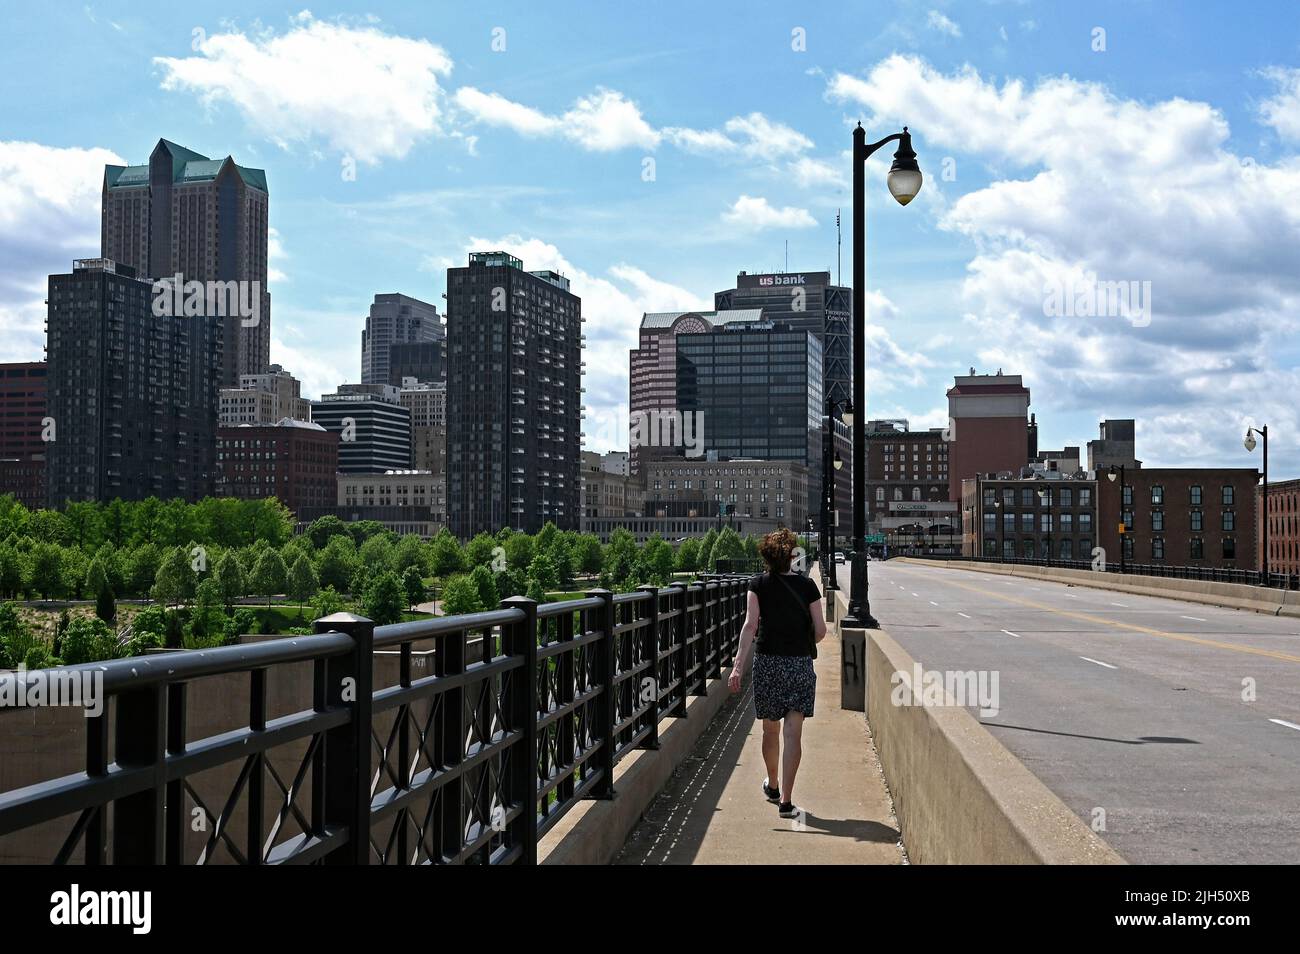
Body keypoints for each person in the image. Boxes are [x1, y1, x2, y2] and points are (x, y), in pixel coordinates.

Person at [727, 527, 827, 818]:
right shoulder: (808, 587)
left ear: (767, 557)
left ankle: (772, 784)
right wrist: (803, 640)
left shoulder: (757, 584)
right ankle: (786, 800)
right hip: (798, 663)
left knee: (770, 729)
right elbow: (820, 631)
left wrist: (737, 667)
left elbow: (750, 627)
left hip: (767, 662)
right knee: (793, 733)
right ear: (791, 555)